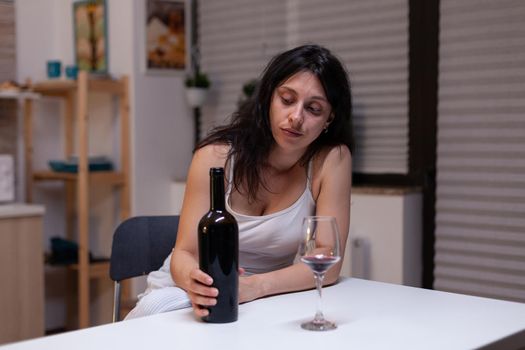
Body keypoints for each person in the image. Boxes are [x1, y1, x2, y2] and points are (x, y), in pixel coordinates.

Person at [126, 44, 353, 319]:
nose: (296, 117)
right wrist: (197, 283)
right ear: (269, 98)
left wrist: (254, 287)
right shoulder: (216, 156)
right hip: (187, 292)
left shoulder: (332, 160)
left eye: (314, 109)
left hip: (263, 300)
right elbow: (184, 253)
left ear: (329, 119)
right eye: (287, 99)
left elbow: (328, 262)